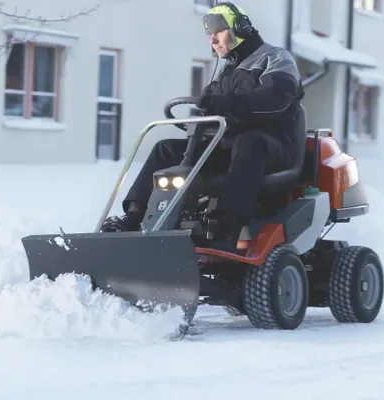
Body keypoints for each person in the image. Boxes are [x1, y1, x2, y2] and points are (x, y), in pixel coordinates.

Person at [100, 2, 305, 253]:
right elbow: (210, 111)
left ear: (240, 28)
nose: (213, 40)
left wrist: (229, 103)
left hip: (273, 148)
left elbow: (276, 99)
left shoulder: (275, 58)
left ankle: (228, 228)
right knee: (166, 149)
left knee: (249, 141)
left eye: (218, 32)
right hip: (229, 148)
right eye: (210, 35)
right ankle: (134, 217)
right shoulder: (225, 72)